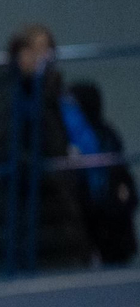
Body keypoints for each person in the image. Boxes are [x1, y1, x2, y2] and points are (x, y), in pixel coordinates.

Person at [0, 25, 91, 274]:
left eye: (48, 50)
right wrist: (52, 176)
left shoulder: (52, 95)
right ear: (19, 53)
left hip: (54, 219)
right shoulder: (7, 96)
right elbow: (5, 155)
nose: (43, 58)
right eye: (36, 50)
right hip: (25, 218)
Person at [64, 81, 137, 265]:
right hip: (86, 226)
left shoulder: (107, 136)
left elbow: (122, 179)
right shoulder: (69, 139)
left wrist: (122, 201)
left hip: (113, 227)